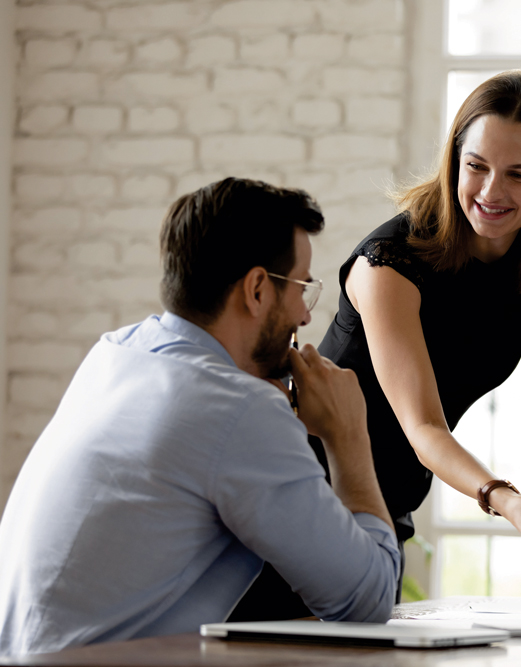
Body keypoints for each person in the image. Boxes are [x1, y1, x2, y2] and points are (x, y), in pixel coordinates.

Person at [236, 70, 521, 618]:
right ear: (454, 158)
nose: (490, 192)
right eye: (476, 166)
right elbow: (423, 427)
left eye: (520, 175)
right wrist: (505, 499)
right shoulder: (388, 262)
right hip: (302, 494)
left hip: (387, 506)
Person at [0, 178, 400, 655]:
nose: (305, 316)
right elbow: (368, 600)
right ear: (256, 289)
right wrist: (348, 433)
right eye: (300, 288)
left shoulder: (119, 352)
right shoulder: (238, 408)